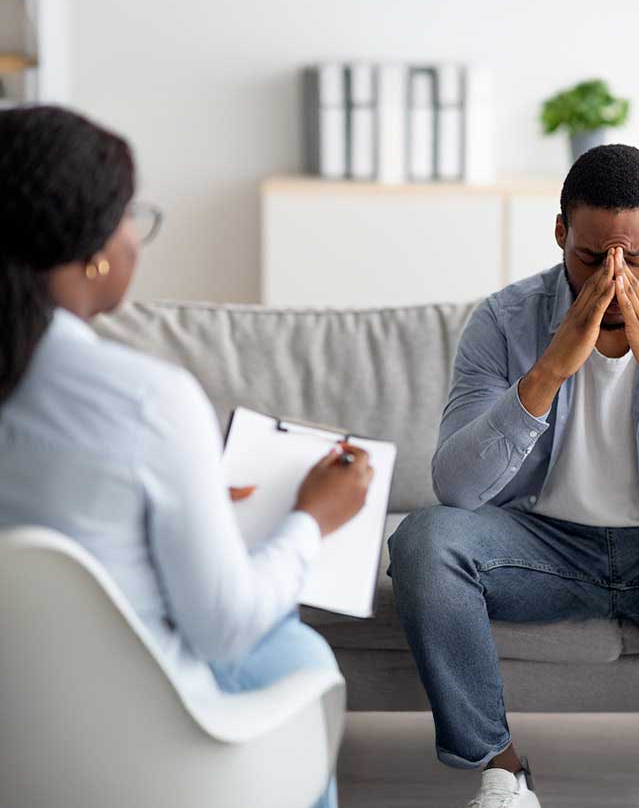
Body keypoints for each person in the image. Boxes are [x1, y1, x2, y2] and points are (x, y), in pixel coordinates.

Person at [387, 144, 639, 808]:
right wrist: (549, 369)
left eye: (637, 257)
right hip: (542, 550)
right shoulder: (500, 322)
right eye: (590, 257)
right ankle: (504, 772)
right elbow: (456, 490)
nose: (614, 277)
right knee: (423, 541)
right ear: (559, 234)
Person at [0, 105, 371, 808]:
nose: (138, 238)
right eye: (129, 216)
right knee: (294, 648)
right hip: (146, 746)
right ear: (93, 252)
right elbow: (223, 626)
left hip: (14, 736)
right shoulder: (147, 403)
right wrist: (311, 522)